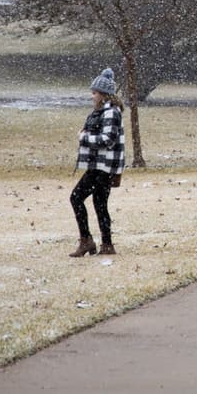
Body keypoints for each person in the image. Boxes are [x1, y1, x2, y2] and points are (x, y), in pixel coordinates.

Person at [69, 67, 126, 256]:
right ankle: (106, 245)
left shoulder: (111, 113)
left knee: (76, 198)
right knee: (99, 203)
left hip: (103, 166)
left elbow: (107, 140)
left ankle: (87, 240)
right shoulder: (104, 111)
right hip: (101, 165)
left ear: (103, 94)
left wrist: (83, 137)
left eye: (94, 93)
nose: (91, 96)